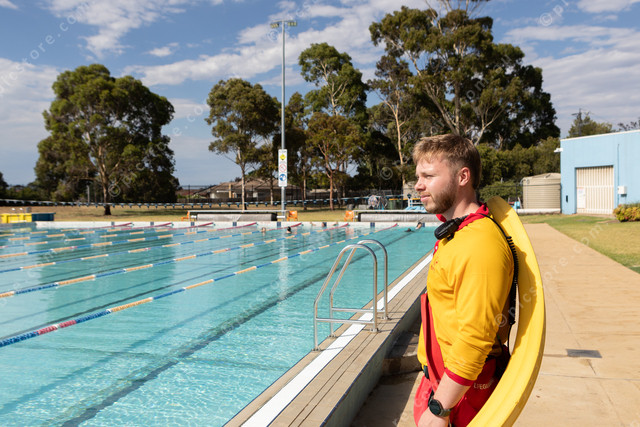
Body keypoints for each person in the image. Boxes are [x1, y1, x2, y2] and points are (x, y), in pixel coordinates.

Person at [412, 134, 514, 427]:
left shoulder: (479, 245)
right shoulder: (458, 232)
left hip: (462, 396)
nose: (418, 185)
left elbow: (475, 338)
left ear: (462, 177)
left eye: (429, 176)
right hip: (441, 381)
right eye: (418, 176)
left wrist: (439, 409)